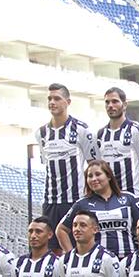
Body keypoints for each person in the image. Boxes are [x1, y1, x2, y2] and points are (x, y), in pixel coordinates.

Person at [35, 83, 97, 252]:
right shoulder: (41, 133)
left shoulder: (82, 129)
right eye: (49, 99)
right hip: (50, 200)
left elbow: (94, 164)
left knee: (78, 245)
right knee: (51, 248)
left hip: (75, 199)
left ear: (67, 102)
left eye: (57, 98)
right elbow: (46, 164)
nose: (52, 102)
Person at [56, 160, 139, 259]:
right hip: (95, 261)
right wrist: (72, 257)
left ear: (109, 176)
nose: (94, 179)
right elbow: (61, 230)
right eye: (90, 176)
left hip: (127, 259)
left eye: (98, 174)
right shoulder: (82, 204)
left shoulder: (129, 198)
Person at [96, 87, 139, 196]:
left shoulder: (136, 130)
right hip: (107, 197)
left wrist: (138, 193)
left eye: (115, 101)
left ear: (125, 105)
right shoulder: (100, 134)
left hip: (130, 196)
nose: (110, 105)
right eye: (107, 102)